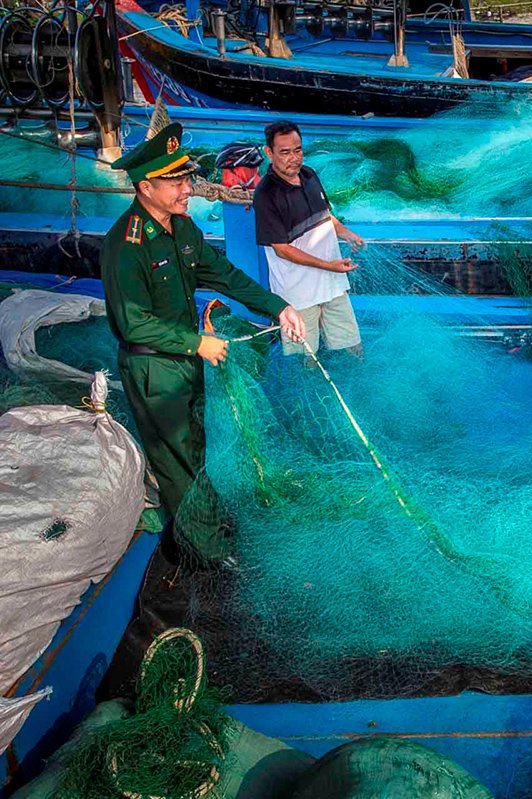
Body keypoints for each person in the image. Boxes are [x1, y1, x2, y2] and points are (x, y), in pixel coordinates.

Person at [100, 122, 307, 565]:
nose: (187, 189)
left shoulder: (183, 229)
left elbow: (225, 275)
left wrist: (280, 307)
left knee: (193, 449)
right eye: (176, 182)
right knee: (176, 460)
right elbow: (132, 324)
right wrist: (196, 343)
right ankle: (206, 553)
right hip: (153, 370)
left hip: (185, 363)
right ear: (145, 187)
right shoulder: (125, 245)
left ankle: (202, 524)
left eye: (186, 179)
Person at [255, 120, 367, 360]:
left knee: (352, 345)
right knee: (305, 356)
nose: (294, 158)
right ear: (269, 153)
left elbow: (326, 217)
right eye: (285, 152)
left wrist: (348, 234)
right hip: (298, 293)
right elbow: (281, 249)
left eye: (298, 150)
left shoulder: (309, 175)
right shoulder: (266, 194)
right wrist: (328, 265)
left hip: (332, 283)